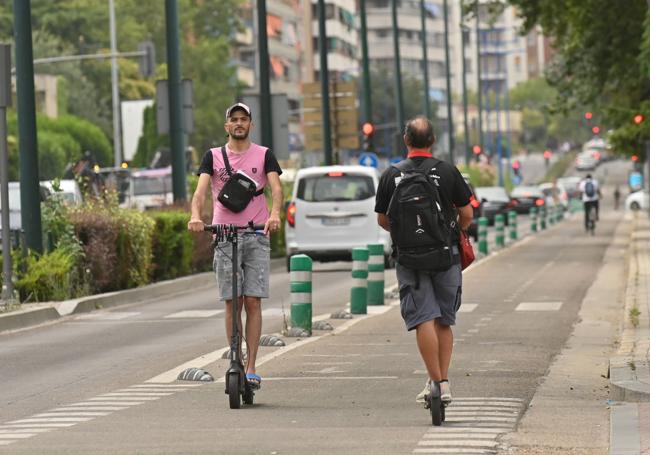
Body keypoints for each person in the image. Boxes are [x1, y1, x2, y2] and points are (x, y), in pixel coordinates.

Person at [374, 116, 473, 406]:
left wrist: (409, 234)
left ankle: (436, 383)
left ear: (406, 140)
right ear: (432, 142)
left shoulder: (391, 175)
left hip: (410, 259)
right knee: (444, 319)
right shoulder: (447, 171)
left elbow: (382, 219)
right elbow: (467, 214)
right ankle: (443, 381)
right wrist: (448, 230)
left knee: (423, 319)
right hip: (446, 255)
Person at [188, 102, 283, 389]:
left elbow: (276, 188)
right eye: (234, 120)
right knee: (233, 301)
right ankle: (235, 357)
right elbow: (201, 191)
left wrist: (275, 214)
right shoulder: (213, 156)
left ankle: (252, 366)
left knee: (252, 301)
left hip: (255, 234)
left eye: (244, 119)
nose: (239, 123)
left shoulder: (264, 155)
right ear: (227, 126)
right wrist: (195, 216)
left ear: (251, 124)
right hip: (225, 236)